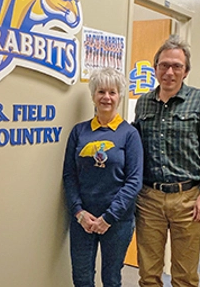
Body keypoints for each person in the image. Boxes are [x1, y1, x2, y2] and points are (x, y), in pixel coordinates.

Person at [134, 35, 200, 287]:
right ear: (155, 68)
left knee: (184, 276)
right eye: (164, 65)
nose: (169, 72)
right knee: (148, 273)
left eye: (177, 66)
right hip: (149, 198)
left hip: (188, 199)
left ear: (186, 71)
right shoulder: (143, 103)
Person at [63, 67, 143, 287]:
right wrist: (79, 212)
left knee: (111, 278)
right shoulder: (79, 132)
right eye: (101, 92)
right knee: (81, 277)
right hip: (83, 220)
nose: (106, 97)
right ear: (93, 96)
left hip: (117, 221)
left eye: (112, 92)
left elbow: (134, 181)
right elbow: (69, 176)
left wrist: (109, 217)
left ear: (119, 96)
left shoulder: (129, 134)